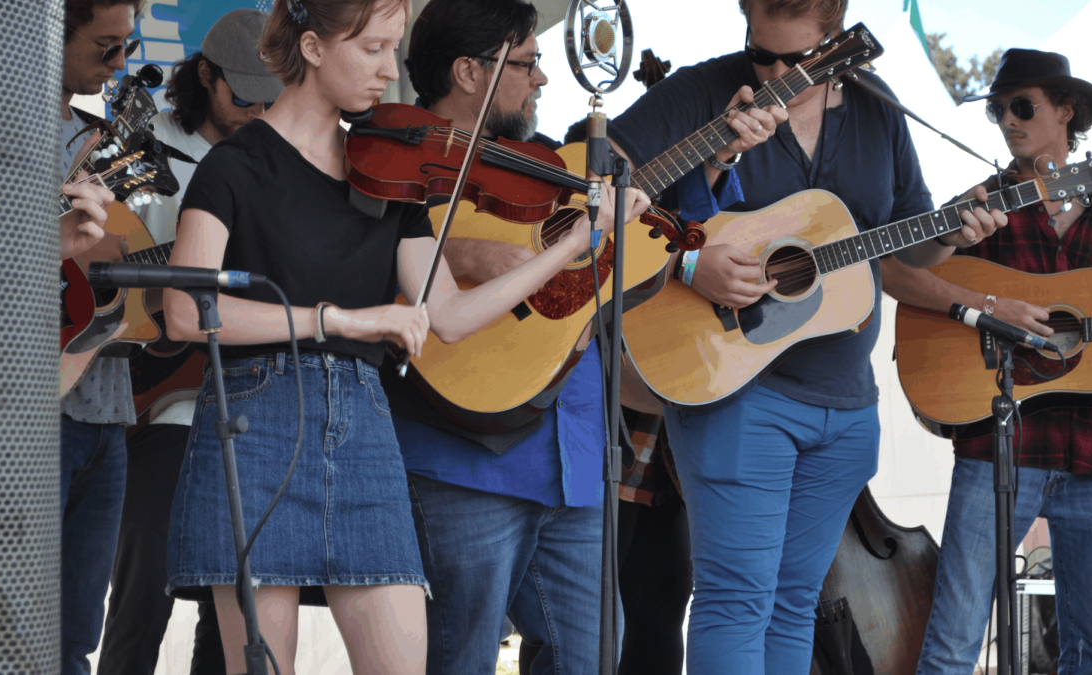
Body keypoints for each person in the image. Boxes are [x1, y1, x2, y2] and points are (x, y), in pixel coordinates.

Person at [161, 1, 649, 673]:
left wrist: (573, 243)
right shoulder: (235, 167)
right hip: (256, 423)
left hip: (363, 429)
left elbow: (447, 313)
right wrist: (339, 320)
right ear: (311, 47)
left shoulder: (389, 174)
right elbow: (187, 312)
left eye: (393, 49)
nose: (390, 70)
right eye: (373, 50)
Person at [604, 0, 1006, 672]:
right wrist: (688, 262)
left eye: (792, 63)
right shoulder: (703, 91)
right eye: (758, 54)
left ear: (837, 46)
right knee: (737, 599)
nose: (770, 76)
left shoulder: (879, 112)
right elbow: (593, 192)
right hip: (735, 387)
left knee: (796, 603)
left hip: (847, 402)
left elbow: (911, 251)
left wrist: (954, 233)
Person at [880, 48, 1092, 675]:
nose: (1006, 120)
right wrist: (984, 299)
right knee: (954, 637)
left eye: (1021, 106)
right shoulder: (979, 207)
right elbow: (901, 271)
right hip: (996, 444)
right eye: (997, 110)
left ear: (1066, 111)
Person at [387, 1, 651, 672]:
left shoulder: (547, 166)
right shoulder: (387, 160)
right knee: (460, 655)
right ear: (469, 72)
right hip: (462, 454)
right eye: (529, 63)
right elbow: (350, 263)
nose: (541, 80)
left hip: (574, 449)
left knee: (593, 654)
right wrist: (463, 253)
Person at [96, 9, 281, 675]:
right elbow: (103, 256)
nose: (260, 109)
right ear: (206, 75)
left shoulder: (283, 154)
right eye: (244, 93)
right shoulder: (145, 148)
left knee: (235, 591)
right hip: (160, 390)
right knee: (145, 572)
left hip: (249, 393)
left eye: (272, 95)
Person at [58, 1, 142, 672]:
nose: (119, 66)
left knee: (78, 632)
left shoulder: (114, 143)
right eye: (105, 47)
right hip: (27, 410)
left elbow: (125, 266)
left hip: (107, 404)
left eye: (127, 48)